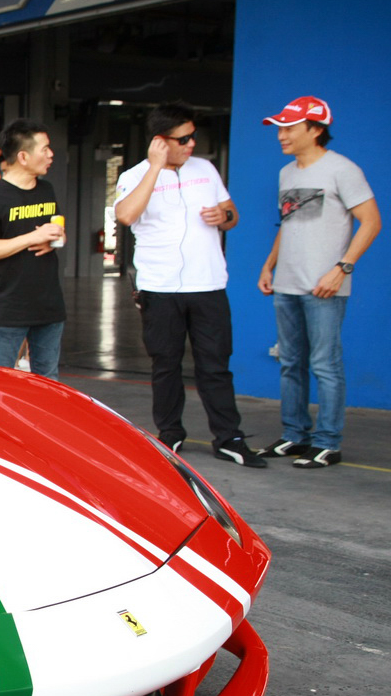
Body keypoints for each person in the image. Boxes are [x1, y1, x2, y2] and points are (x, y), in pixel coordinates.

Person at [114, 103, 263, 467]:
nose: (192, 144)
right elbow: (126, 215)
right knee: (166, 365)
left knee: (216, 365)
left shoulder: (206, 169)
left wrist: (223, 215)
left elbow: (232, 215)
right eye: (183, 139)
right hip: (160, 288)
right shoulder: (135, 176)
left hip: (207, 285)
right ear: (160, 141)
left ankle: (228, 438)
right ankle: (170, 434)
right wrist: (155, 168)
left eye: (193, 136)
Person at [256, 95, 380, 469]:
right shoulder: (287, 173)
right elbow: (289, 223)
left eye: (289, 128)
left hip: (324, 286)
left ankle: (327, 442)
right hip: (287, 283)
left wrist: (341, 269)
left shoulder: (342, 169)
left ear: (315, 130)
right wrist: (269, 265)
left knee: (325, 365)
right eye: (279, 128)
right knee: (290, 363)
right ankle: (295, 435)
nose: (281, 135)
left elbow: (371, 221)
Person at [0, 120, 67, 377]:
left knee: (49, 381)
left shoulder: (46, 190)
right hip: (10, 308)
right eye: (44, 149)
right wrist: (32, 237)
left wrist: (54, 239)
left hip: (49, 305)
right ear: (23, 157)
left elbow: (58, 231)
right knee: (2, 382)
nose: (51, 154)